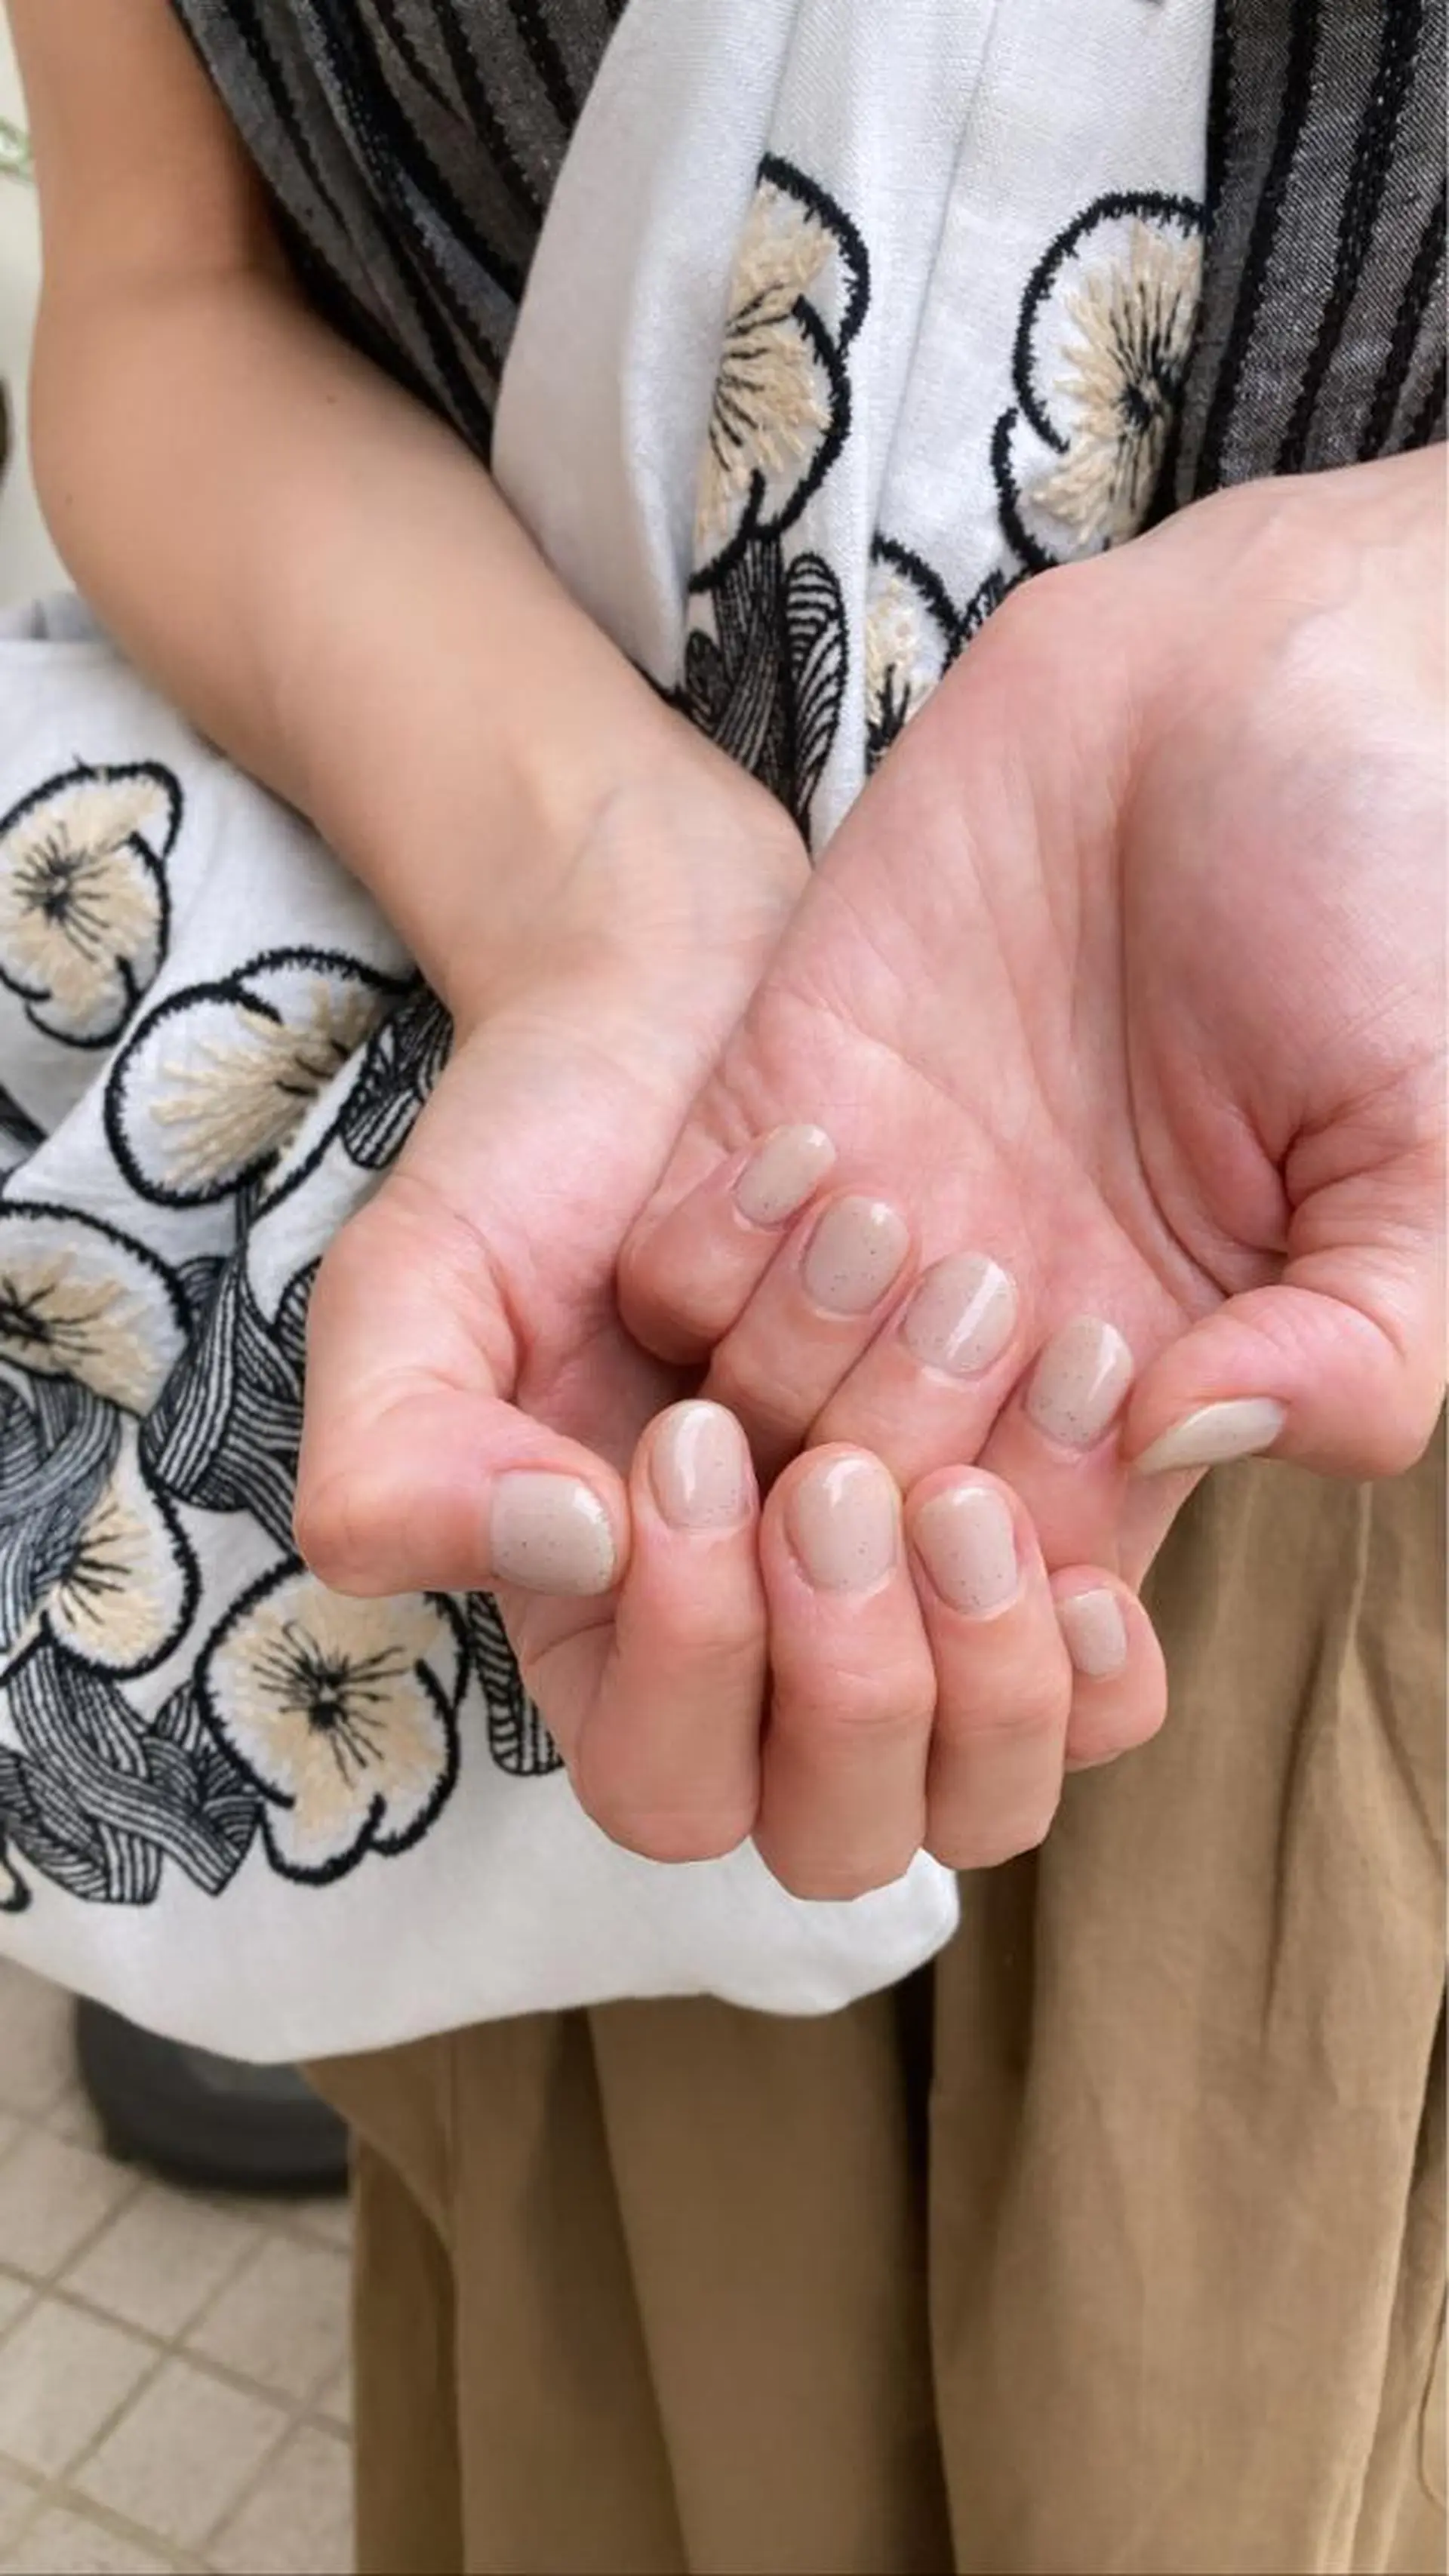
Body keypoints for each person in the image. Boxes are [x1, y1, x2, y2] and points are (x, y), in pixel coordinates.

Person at [5, 3, 1443, 2571]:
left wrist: (1399, 617)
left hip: (1350, 1284)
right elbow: (158, 287)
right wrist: (601, 886)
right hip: (587, 1281)